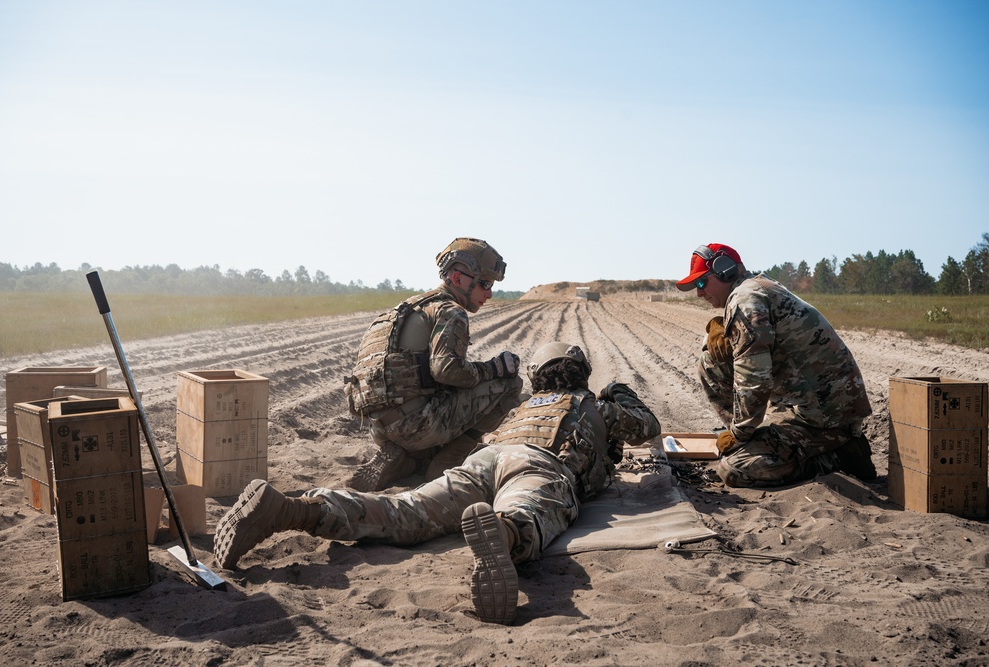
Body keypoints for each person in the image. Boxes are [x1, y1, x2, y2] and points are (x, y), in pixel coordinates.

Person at [215, 341, 660, 625]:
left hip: (483, 461)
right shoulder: (592, 406)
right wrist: (619, 391)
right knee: (528, 513)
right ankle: (502, 534)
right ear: (580, 374)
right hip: (539, 466)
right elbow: (648, 427)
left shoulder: (524, 406)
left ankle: (296, 509)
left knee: (404, 511)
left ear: (540, 373)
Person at [676, 242, 876, 488]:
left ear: (725, 271)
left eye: (701, 283)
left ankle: (841, 456)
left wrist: (739, 435)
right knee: (711, 360)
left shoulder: (744, 299)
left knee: (734, 470)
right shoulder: (755, 288)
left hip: (825, 417)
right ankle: (751, 441)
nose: (698, 293)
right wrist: (719, 326)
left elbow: (754, 380)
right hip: (813, 404)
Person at [343, 237, 524, 491]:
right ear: (457, 278)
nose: (489, 293)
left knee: (446, 396)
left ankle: (407, 460)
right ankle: (447, 460)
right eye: (484, 283)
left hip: (379, 429)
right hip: (419, 426)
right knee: (510, 384)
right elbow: (446, 370)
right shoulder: (450, 310)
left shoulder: (404, 310)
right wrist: (494, 369)